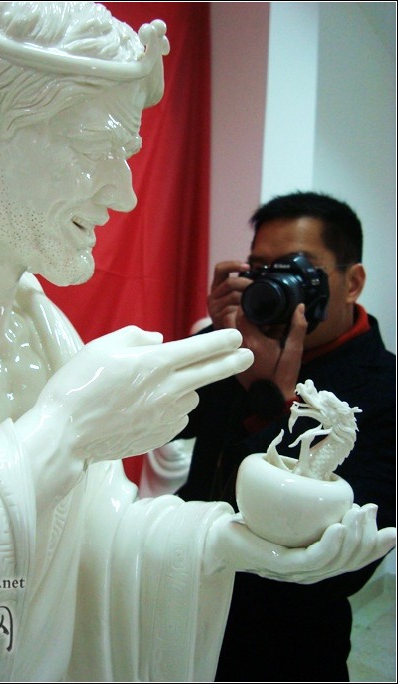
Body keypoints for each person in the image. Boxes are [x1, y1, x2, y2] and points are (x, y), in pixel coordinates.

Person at [0, 3, 394, 681]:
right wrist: (62, 434)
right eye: (94, 149)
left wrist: (217, 543)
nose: (125, 195)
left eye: (126, 159)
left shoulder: (39, 325)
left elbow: (87, 542)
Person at [168, 191, 396, 682]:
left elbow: (343, 567)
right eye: (260, 269)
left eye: (298, 270)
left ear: (353, 282)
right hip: (178, 610)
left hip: (282, 645)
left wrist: (271, 405)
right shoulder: (236, 344)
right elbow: (161, 422)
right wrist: (216, 345)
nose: (277, 286)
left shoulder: (385, 390)